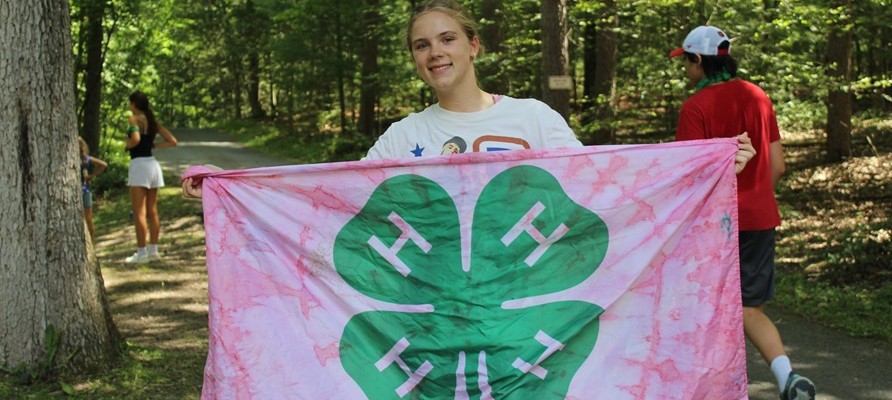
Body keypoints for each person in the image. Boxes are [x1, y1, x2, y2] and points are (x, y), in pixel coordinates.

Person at [182, 0, 752, 203]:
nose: (435, 52)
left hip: (524, 305)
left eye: (447, 38)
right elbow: (330, 192)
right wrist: (227, 187)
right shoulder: (403, 137)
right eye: (421, 45)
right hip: (440, 313)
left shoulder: (532, 117)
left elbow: (601, 182)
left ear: (473, 45)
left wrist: (702, 166)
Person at [669, 25, 816, 400]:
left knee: (704, 308)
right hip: (760, 218)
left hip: (713, 225)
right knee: (750, 309)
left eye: (686, 63)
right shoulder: (757, 95)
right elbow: (778, 165)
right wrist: (756, 200)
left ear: (699, 61)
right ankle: (787, 377)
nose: (686, 71)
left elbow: (691, 178)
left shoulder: (695, 108)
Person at [125, 91, 177, 263]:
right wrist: (153, 144)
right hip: (153, 165)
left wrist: (128, 145)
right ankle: (153, 250)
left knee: (139, 212)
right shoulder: (153, 121)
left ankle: (141, 253)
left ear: (133, 104)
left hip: (139, 166)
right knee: (152, 211)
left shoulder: (134, 120)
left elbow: (135, 139)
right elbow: (172, 141)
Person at [78, 136, 108, 242]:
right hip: (85, 190)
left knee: (86, 218)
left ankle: (89, 240)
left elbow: (103, 165)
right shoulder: (85, 158)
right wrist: (92, 175)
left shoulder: (84, 158)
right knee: (88, 218)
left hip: (81, 191)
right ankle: (91, 240)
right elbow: (103, 165)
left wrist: (91, 175)